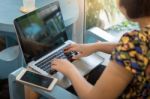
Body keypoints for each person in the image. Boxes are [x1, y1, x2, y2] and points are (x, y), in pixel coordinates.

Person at [51, 0, 150, 98]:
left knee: (50, 86)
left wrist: (70, 69)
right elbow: (136, 50)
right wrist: (96, 46)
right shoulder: (139, 41)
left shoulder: (135, 41)